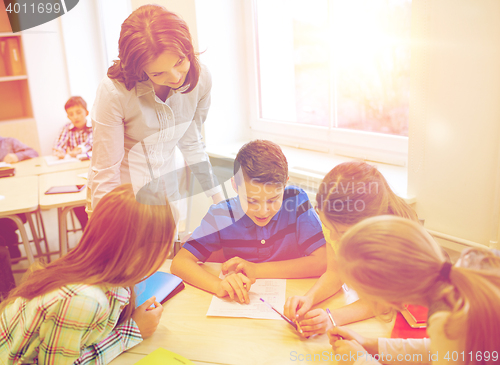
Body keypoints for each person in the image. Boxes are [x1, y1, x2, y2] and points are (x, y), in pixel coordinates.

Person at [0, 184, 176, 364]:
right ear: (138, 251)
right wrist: (131, 331)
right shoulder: (83, 299)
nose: (167, 254)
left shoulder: (100, 269)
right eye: (164, 247)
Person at [87, 4, 223, 216]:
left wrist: (218, 198)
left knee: (170, 246)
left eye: (179, 61)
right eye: (158, 73)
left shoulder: (202, 78)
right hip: (124, 195)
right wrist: (108, 226)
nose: (176, 77)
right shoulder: (114, 92)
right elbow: (106, 173)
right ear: (138, 69)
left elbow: (190, 140)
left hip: (166, 192)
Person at [327, 216, 500, 365]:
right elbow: (441, 349)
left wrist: (360, 360)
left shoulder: (447, 321)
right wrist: (371, 345)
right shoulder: (476, 262)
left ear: (391, 302)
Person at [171, 140, 327, 303]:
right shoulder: (221, 215)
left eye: (273, 199)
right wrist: (219, 286)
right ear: (235, 185)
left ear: (285, 183)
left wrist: (257, 270)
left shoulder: (296, 201)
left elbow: (322, 261)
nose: (263, 211)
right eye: (252, 201)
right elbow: (180, 263)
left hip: (294, 299)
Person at [285, 161, 419, 336]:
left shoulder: (396, 236)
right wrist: (309, 298)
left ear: (369, 223)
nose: (332, 238)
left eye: (340, 232)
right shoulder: (336, 223)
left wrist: (332, 318)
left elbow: (385, 300)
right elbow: (335, 273)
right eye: (327, 226)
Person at [52, 96, 92, 230]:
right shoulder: (66, 129)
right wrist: (59, 152)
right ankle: (85, 230)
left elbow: (91, 142)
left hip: (91, 170)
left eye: (78, 112)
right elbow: (59, 145)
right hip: (73, 172)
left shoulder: (94, 125)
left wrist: (79, 149)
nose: (75, 117)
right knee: (77, 199)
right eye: (71, 114)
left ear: (86, 112)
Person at [0, 135, 39, 258]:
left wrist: (17, 156)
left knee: (7, 217)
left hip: (12, 193)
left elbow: (33, 153)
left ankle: (11, 243)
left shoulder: (8, 142)